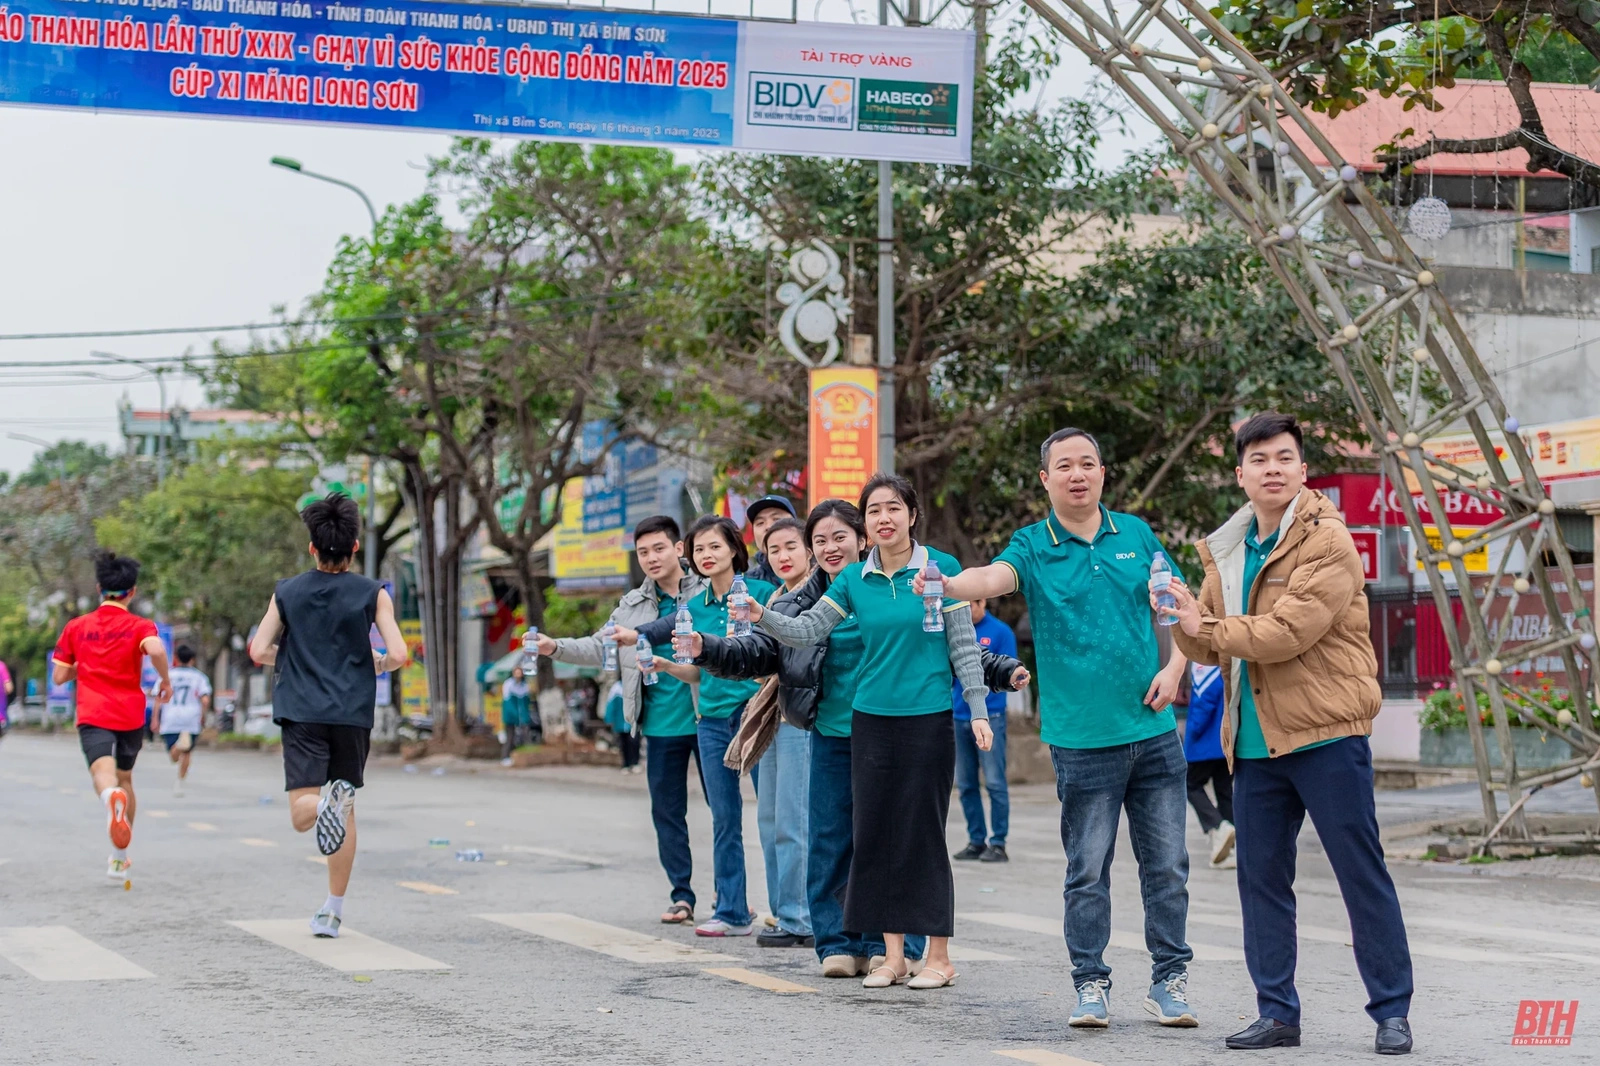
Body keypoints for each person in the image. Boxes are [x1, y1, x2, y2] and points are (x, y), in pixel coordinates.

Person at [672, 498, 1028, 977]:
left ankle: (896, 946)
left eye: (839, 536)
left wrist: (1000, 673)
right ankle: (839, 942)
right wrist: (708, 646)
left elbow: (948, 644)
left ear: (863, 538)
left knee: (893, 837)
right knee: (830, 839)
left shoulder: (912, 578)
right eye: (819, 540)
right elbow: (764, 648)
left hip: (899, 727)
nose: (829, 547)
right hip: (833, 730)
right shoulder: (806, 598)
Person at [1159, 412, 1415, 1056]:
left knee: (1360, 874)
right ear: (1240, 474)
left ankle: (1391, 1011)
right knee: (1261, 883)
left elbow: (1286, 632)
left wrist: (1203, 628)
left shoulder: (1329, 540)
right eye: (1259, 460)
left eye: (1283, 458)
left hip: (1326, 735)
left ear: (1303, 470)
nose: (1272, 469)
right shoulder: (1228, 549)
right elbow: (1208, 643)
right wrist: (1185, 620)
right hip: (1252, 743)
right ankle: (1277, 1014)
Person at [933, 428, 1195, 1029]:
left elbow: (1184, 609)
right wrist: (945, 583)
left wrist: (1175, 668)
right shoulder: (1032, 544)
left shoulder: (1136, 534)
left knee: (1168, 868)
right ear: (1045, 479)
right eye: (1065, 466)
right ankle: (1090, 983)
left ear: (1102, 472)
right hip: (1082, 741)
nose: (1077, 474)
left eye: (1088, 464)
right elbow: (991, 578)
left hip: (1154, 732)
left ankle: (1170, 980)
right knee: (1087, 870)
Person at [750, 474, 991, 990]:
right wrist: (761, 615)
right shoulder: (855, 579)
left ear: (911, 515)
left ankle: (939, 958)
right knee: (875, 836)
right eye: (875, 510)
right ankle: (892, 956)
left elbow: (963, 647)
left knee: (922, 836)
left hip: (927, 718)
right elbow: (808, 629)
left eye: (893, 508)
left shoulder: (940, 568)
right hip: (870, 720)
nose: (884, 518)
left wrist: (977, 709)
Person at [249, 493, 408, 939]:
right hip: (352, 713)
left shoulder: (287, 592)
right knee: (347, 808)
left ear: (312, 548)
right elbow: (399, 653)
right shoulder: (373, 593)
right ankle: (332, 912)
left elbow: (259, 649)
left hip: (302, 710)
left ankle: (323, 804)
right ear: (355, 546)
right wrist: (377, 663)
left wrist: (292, 656)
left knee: (303, 814)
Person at [533, 515, 707, 925]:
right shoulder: (631, 607)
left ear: (678, 549)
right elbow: (600, 647)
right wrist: (554, 646)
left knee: (724, 811)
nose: (651, 558)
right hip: (659, 725)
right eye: (643, 552)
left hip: (709, 718)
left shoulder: (707, 593)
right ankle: (682, 896)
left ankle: (732, 897)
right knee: (667, 814)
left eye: (659, 548)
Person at [52, 550, 172, 883]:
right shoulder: (140, 626)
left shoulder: (77, 627)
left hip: (94, 712)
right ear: (132, 592)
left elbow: (59, 676)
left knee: (103, 774)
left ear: (98, 589)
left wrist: (83, 666)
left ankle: (109, 798)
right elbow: (156, 649)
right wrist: (165, 680)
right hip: (130, 714)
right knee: (126, 778)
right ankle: (119, 859)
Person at [952, 597, 1019, 864]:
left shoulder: (1001, 632)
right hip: (959, 715)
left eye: (972, 604)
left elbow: (1008, 673)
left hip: (991, 716)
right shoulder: (955, 629)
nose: (968, 610)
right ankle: (976, 840)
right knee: (966, 783)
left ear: (983, 602)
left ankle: (998, 842)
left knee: (994, 781)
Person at [1184, 661, 1235, 870]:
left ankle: (1218, 826)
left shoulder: (1204, 664)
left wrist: (1192, 735)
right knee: (1224, 791)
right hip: (1225, 741)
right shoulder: (1227, 661)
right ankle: (1231, 850)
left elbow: (1204, 700)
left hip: (1205, 743)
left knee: (1189, 784)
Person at [157, 644, 212, 797]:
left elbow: (159, 698)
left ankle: (178, 747)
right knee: (187, 752)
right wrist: (203, 716)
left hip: (171, 717)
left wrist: (155, 718)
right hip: (191, 718)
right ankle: (180, 782)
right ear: (192, 659)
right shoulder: (199, 677)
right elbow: (205, 700)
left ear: (175, 658)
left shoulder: (167, 676)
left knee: (173, 756)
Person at [744, 494, 797, 586]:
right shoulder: (749, 585)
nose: (768, 526)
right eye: (760, 523)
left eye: (776, 519)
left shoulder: (819, 574)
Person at [602, 678, 640, 773]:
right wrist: (609, 719)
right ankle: (626, 764)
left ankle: (635, 763)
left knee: (634, 742)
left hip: (634, 722)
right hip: (621, 722)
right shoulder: (617, 687)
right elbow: (610, 704)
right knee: (624, 744)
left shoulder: (636, 685)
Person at [500, 665, 532, 765]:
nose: (518, 675)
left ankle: (525, 757)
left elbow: (526, 702)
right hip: (511, 717)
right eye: (516, 672)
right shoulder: (508, 684)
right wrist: (515, 714)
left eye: (520, 673)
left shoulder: (524, 685)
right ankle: (505, 757)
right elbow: (508, 702)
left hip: (523, 717)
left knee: (525, 736)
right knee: (510, 737)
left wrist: (524, 716)